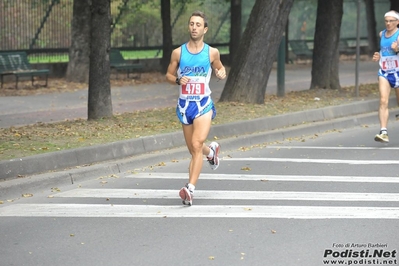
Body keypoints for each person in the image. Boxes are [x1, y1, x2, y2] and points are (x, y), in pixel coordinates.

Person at [165, 11, 227, 206]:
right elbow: (168, 74)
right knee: (194, 149)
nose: (194, 27)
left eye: (198, 24)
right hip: (185, 106)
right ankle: (211, 153)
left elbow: (220, 68)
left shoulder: (211, 52)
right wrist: (176, 79)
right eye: (191, 24)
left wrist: (221, 72)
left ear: (205, 29)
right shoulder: (178, 52)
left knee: (197, 143)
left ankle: (190, 189)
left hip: (203, 104)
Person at [372, 10, 399, 143]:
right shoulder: (382, 34)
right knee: (383, 100)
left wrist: (397, 49)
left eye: (391, 21)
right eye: (386, 21)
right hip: (384, 72)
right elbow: (383, 51)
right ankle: (383, 132)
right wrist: (378, 56)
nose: (388, 24)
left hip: (398, 72)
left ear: (397, 22)